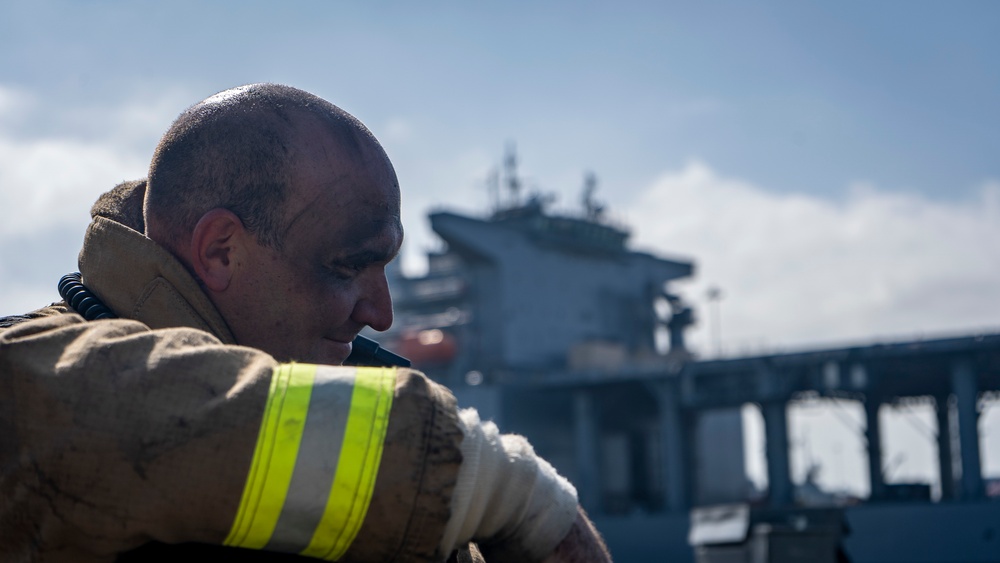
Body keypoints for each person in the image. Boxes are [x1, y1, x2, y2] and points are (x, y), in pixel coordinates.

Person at [0, 84, 612, 563]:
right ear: (220, 251)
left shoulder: (312, 380)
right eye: (347, 266)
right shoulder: (34, 374)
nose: (382, 313)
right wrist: (507, 490)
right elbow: (71, 405)